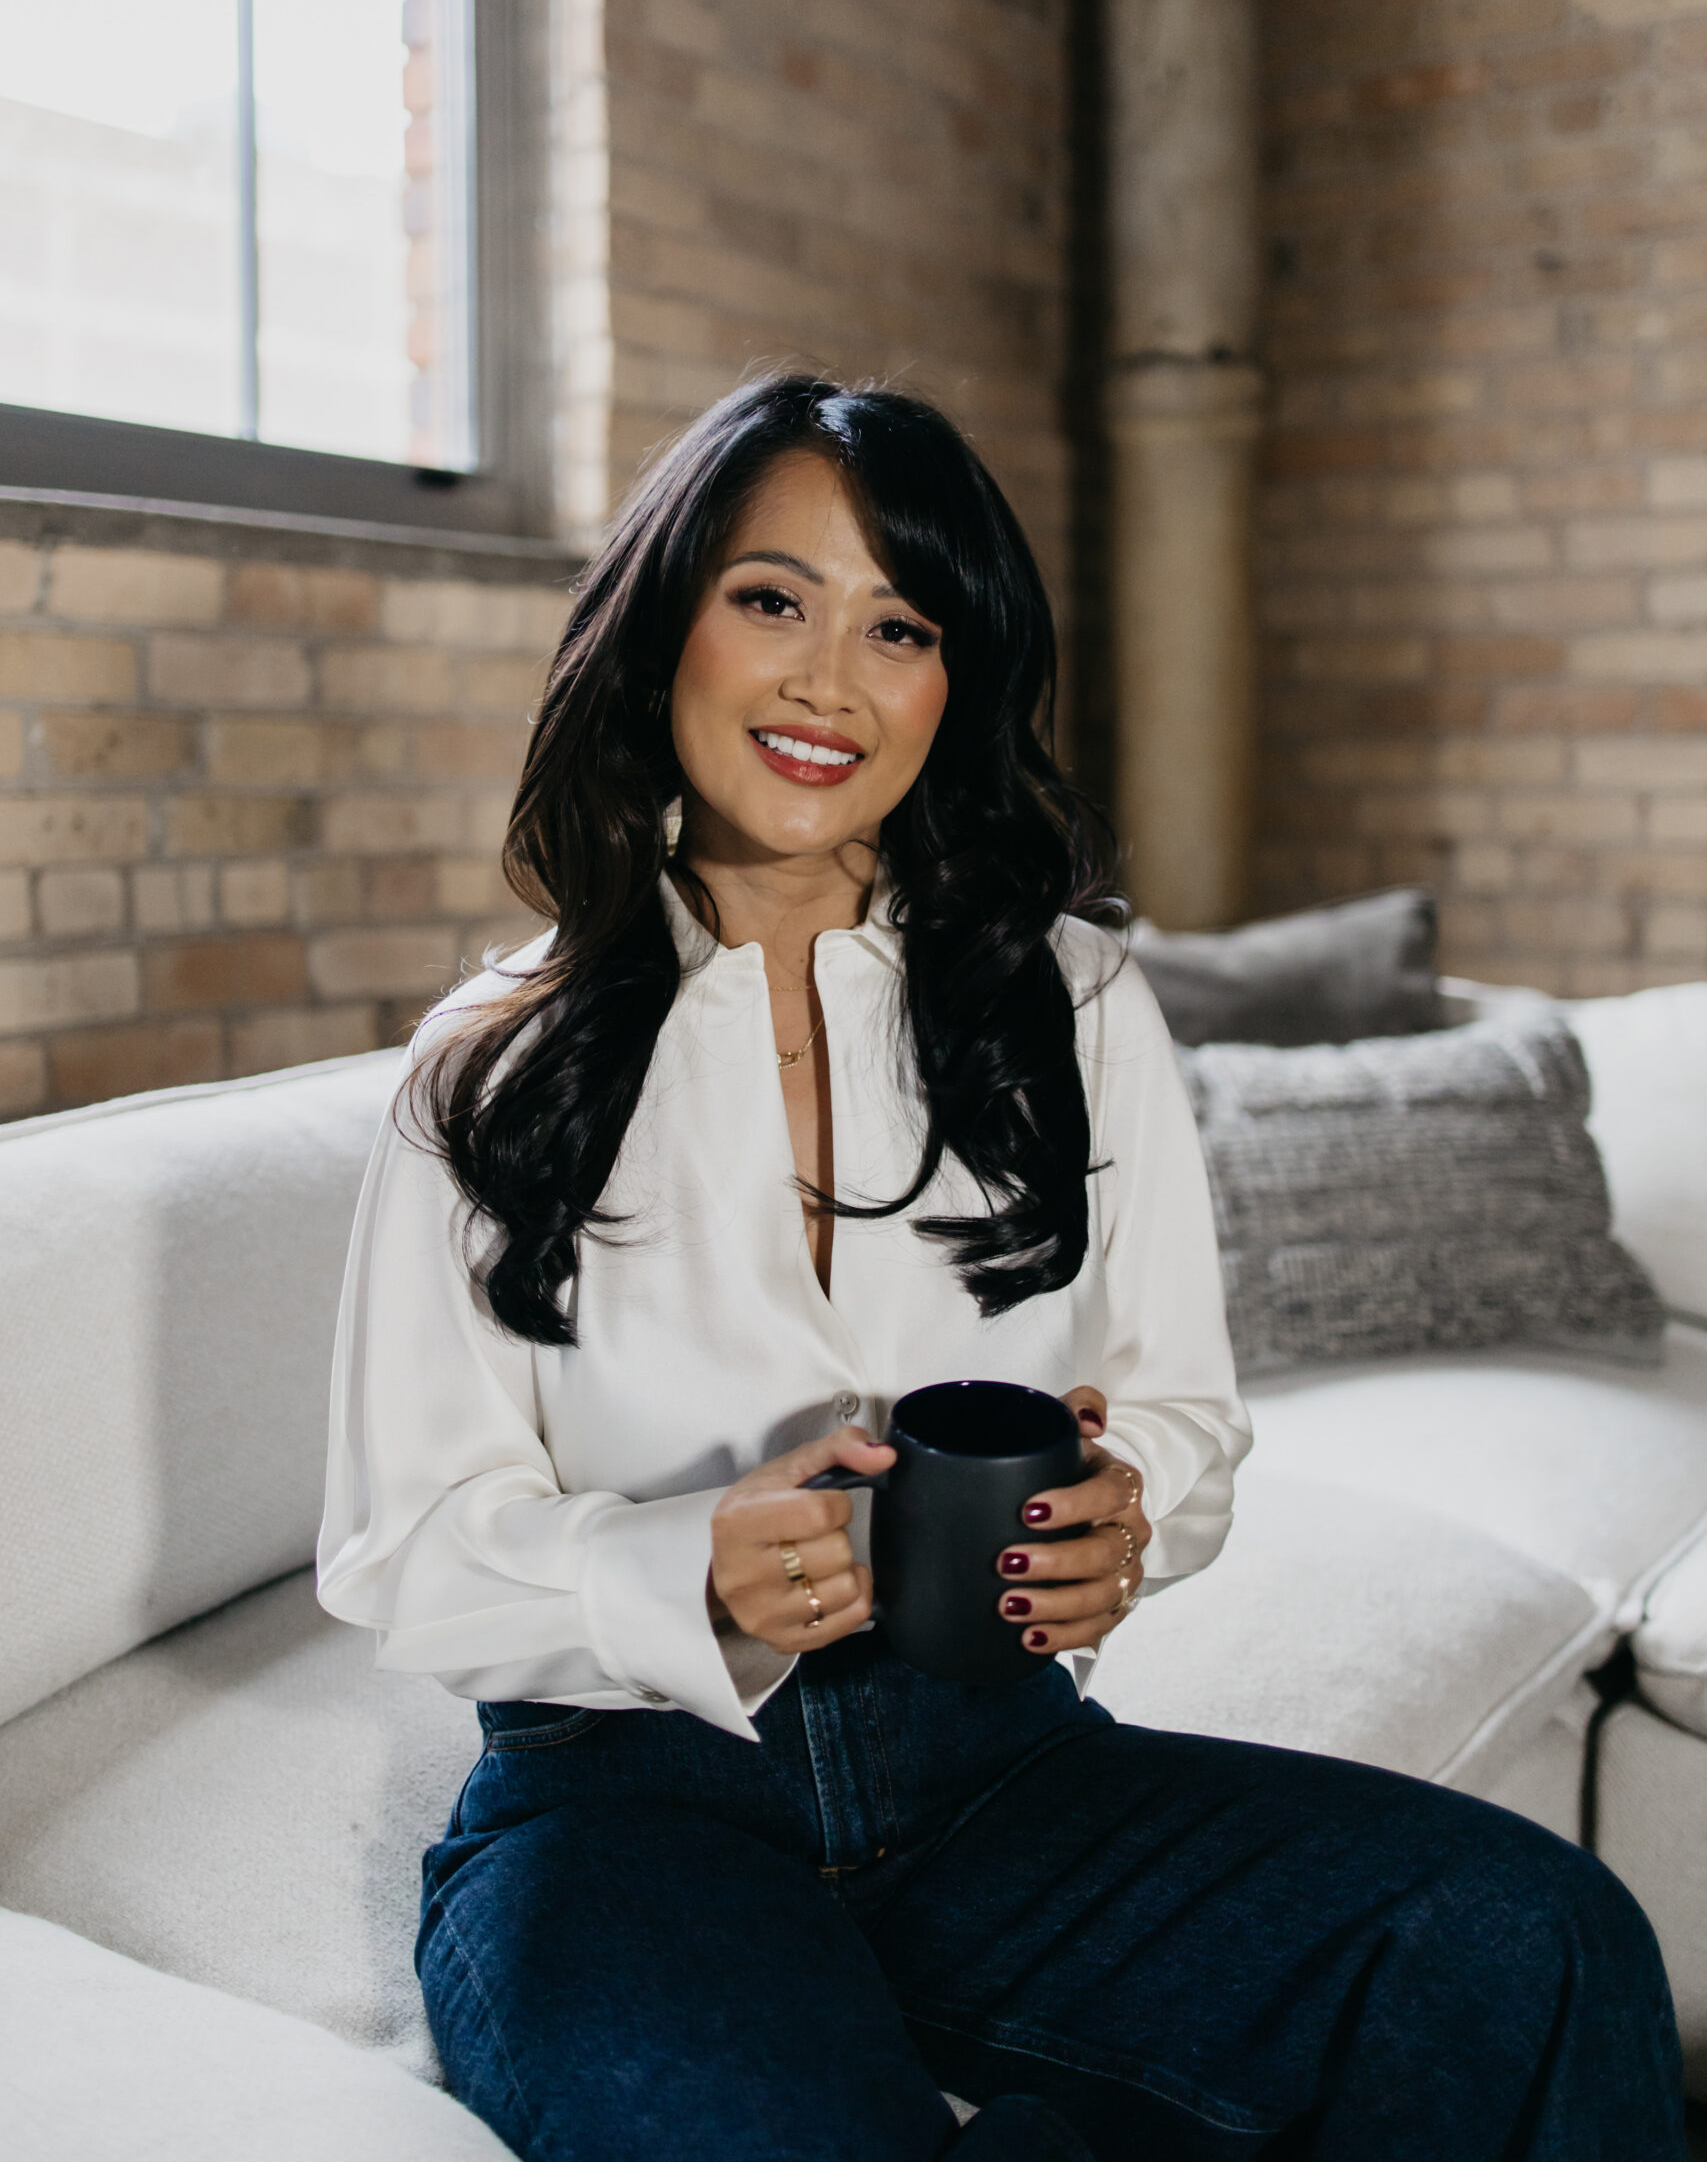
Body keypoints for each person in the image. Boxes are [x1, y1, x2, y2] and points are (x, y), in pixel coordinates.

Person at [318, 377, 1684, 2161]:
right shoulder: (490, 1061)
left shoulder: (1074, 999)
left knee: (1535, 1939)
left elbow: (1180, 1409)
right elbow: (395, 1549)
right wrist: (687, 1568)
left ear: (951, 686)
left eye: (900, 626)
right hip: (629, 1816)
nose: (828, 681)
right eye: (772, 599)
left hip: (1003, 1770)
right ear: (667, 621)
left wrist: (1134, 1514)